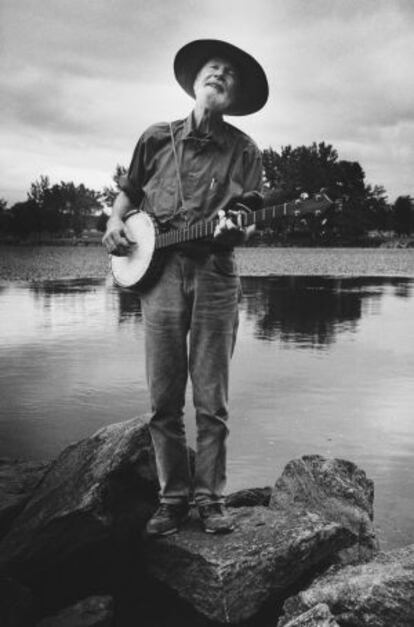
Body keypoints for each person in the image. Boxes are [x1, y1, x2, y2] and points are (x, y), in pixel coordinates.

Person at [103, 39, 268, 536]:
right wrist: (112, 223)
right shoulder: (155, 138)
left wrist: (237, 229)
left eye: (230, 74)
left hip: (216, 275)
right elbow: (128, 195)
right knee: (163, 397)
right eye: (212, 69)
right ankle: (172, 499)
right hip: (159, 278)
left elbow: (250, 218)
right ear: (196, 81)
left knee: (211, 398)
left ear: (235, 95)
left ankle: (210, 500)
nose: (219, 75)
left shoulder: (245, 150)